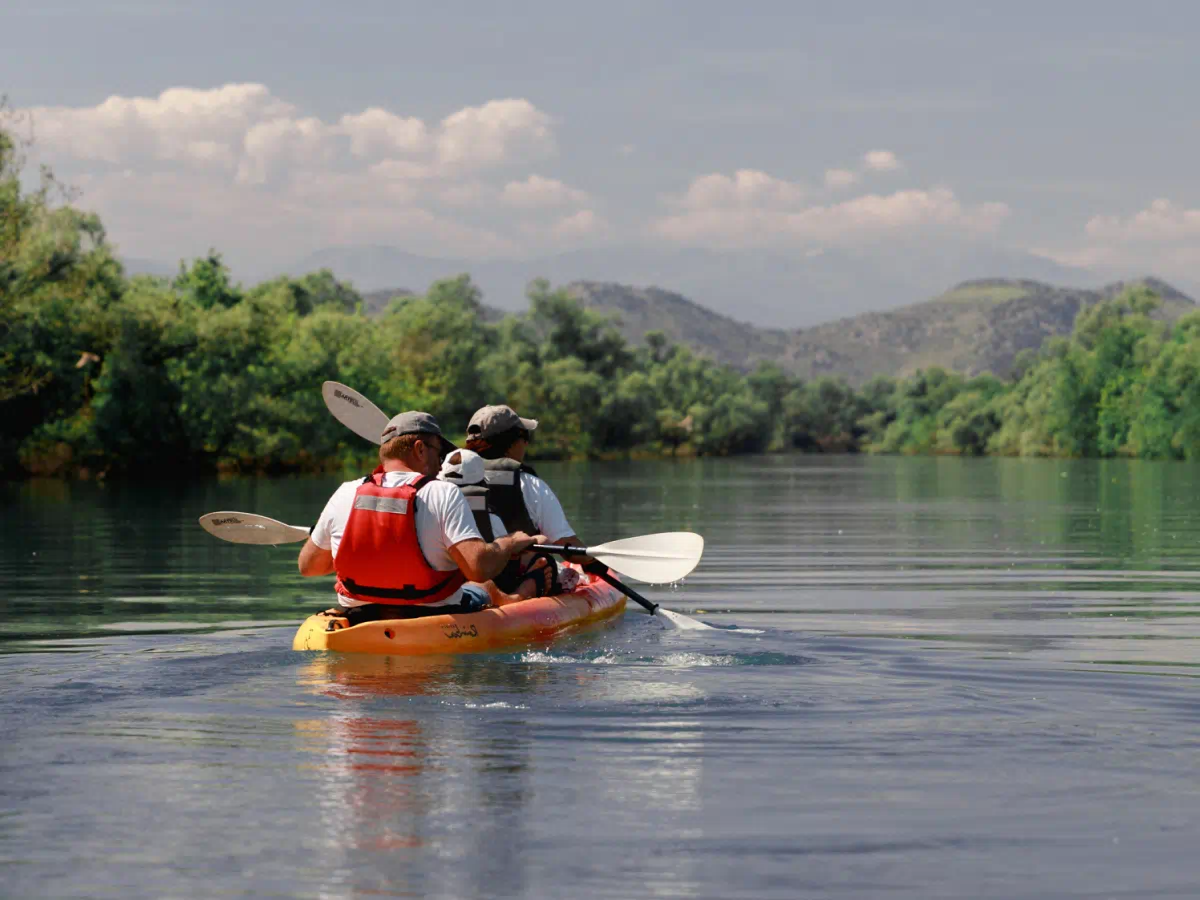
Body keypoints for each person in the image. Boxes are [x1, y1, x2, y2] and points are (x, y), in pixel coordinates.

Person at [297, 411, 542, 621]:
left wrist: (361, 550)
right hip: (431, 614)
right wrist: (509, 544)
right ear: (420, 449)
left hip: (361, 614)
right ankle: (516, 599)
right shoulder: (443, 493)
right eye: (438, 452)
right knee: (481, 585)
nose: (441, 464)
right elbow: (478, 567)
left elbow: (309, 566)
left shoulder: (346, 492)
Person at [438, 447, 580, 601]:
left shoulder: (428, 511)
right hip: (479, 585)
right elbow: (505, 557)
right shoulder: (492, 519)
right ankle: (519, 595)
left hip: (441, 582)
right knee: (543, 556)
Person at [463, 405, 591, 564]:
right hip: (516, 577)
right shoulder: (531, 486)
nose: (526, 444)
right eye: (525, 437)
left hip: (468, 576)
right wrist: (596, 561)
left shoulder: (447, 481)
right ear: (510, 445)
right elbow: (569, 548)